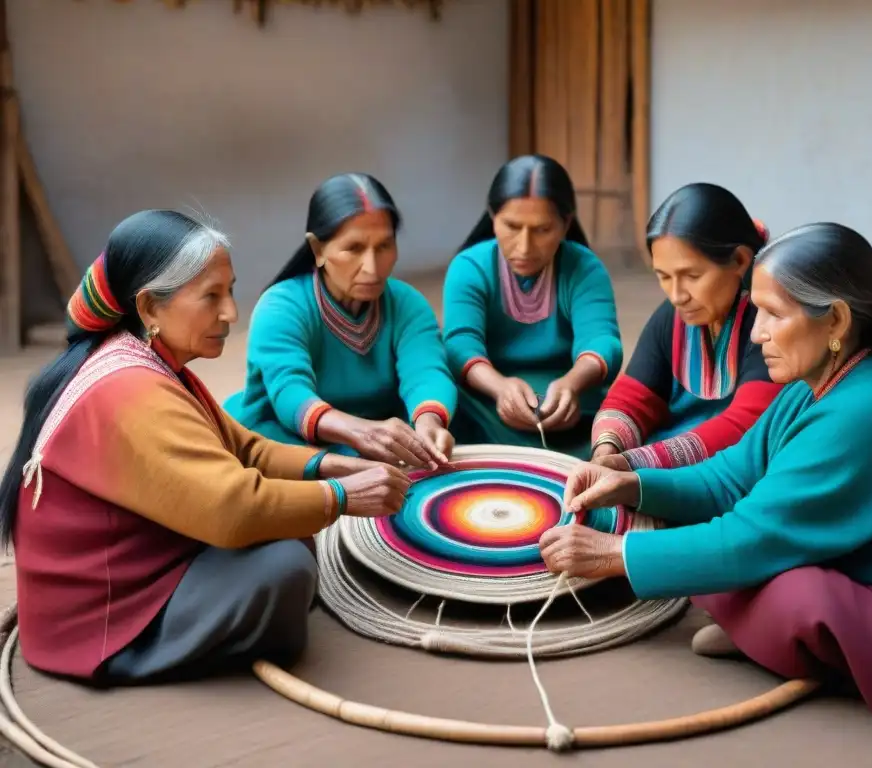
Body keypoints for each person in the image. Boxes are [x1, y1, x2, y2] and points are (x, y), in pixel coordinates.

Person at [538, 222, 872, 723]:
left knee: (791, 594)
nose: (756, 333)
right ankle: (772, 633)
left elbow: (752, 538)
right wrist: (635, 484)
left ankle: (798, 644)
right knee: (708, 557)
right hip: (864, 571)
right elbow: (731, 476)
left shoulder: (871, 406)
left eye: (773, 314)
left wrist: (615, 555)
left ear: (834, 320)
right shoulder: (816, 378)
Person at [1, 210, 411, 685]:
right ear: (150, 307)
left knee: (290, 529)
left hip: (138, 570)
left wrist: (328, 465)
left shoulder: (149, 358)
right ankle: (155, 652)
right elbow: (231, 509)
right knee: (285, 565)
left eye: (230, 290)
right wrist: (341, 497)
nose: (231, 313)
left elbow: (245, 449)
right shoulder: (130, 390)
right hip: (103, 619)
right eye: (211, 297)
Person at [223, 173, 457, 470]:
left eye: (384, 246)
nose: (372, 267)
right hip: (290, 437)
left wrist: (429, 422)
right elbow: (291, 395)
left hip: (376, 435)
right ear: (318, 250)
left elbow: (426, 371)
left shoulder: (406, 304)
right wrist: (361, 432)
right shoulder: (281, 308)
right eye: (354, 249)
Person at [590, 183, 783, 470]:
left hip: (733, 470)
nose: (677, 295)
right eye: (664, 276)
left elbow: (747, 425)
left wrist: (633, 463)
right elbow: (633, 396)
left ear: (740, 260)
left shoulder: (770, 322)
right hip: (658, 462)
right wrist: (608, 448)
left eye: (691, 275)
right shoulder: (674, 315)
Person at [442, 154, 622, 459]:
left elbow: (603, 341)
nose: (524, 246)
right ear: (492, 217)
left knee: (625, 423)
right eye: (512, 226)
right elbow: (460, 345)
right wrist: (500, 388)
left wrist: (571, 385)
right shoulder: (469, 268)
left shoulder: (584, 268)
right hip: (486, 408)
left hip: (573, 411)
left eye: (542, 230)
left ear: (565, 224)